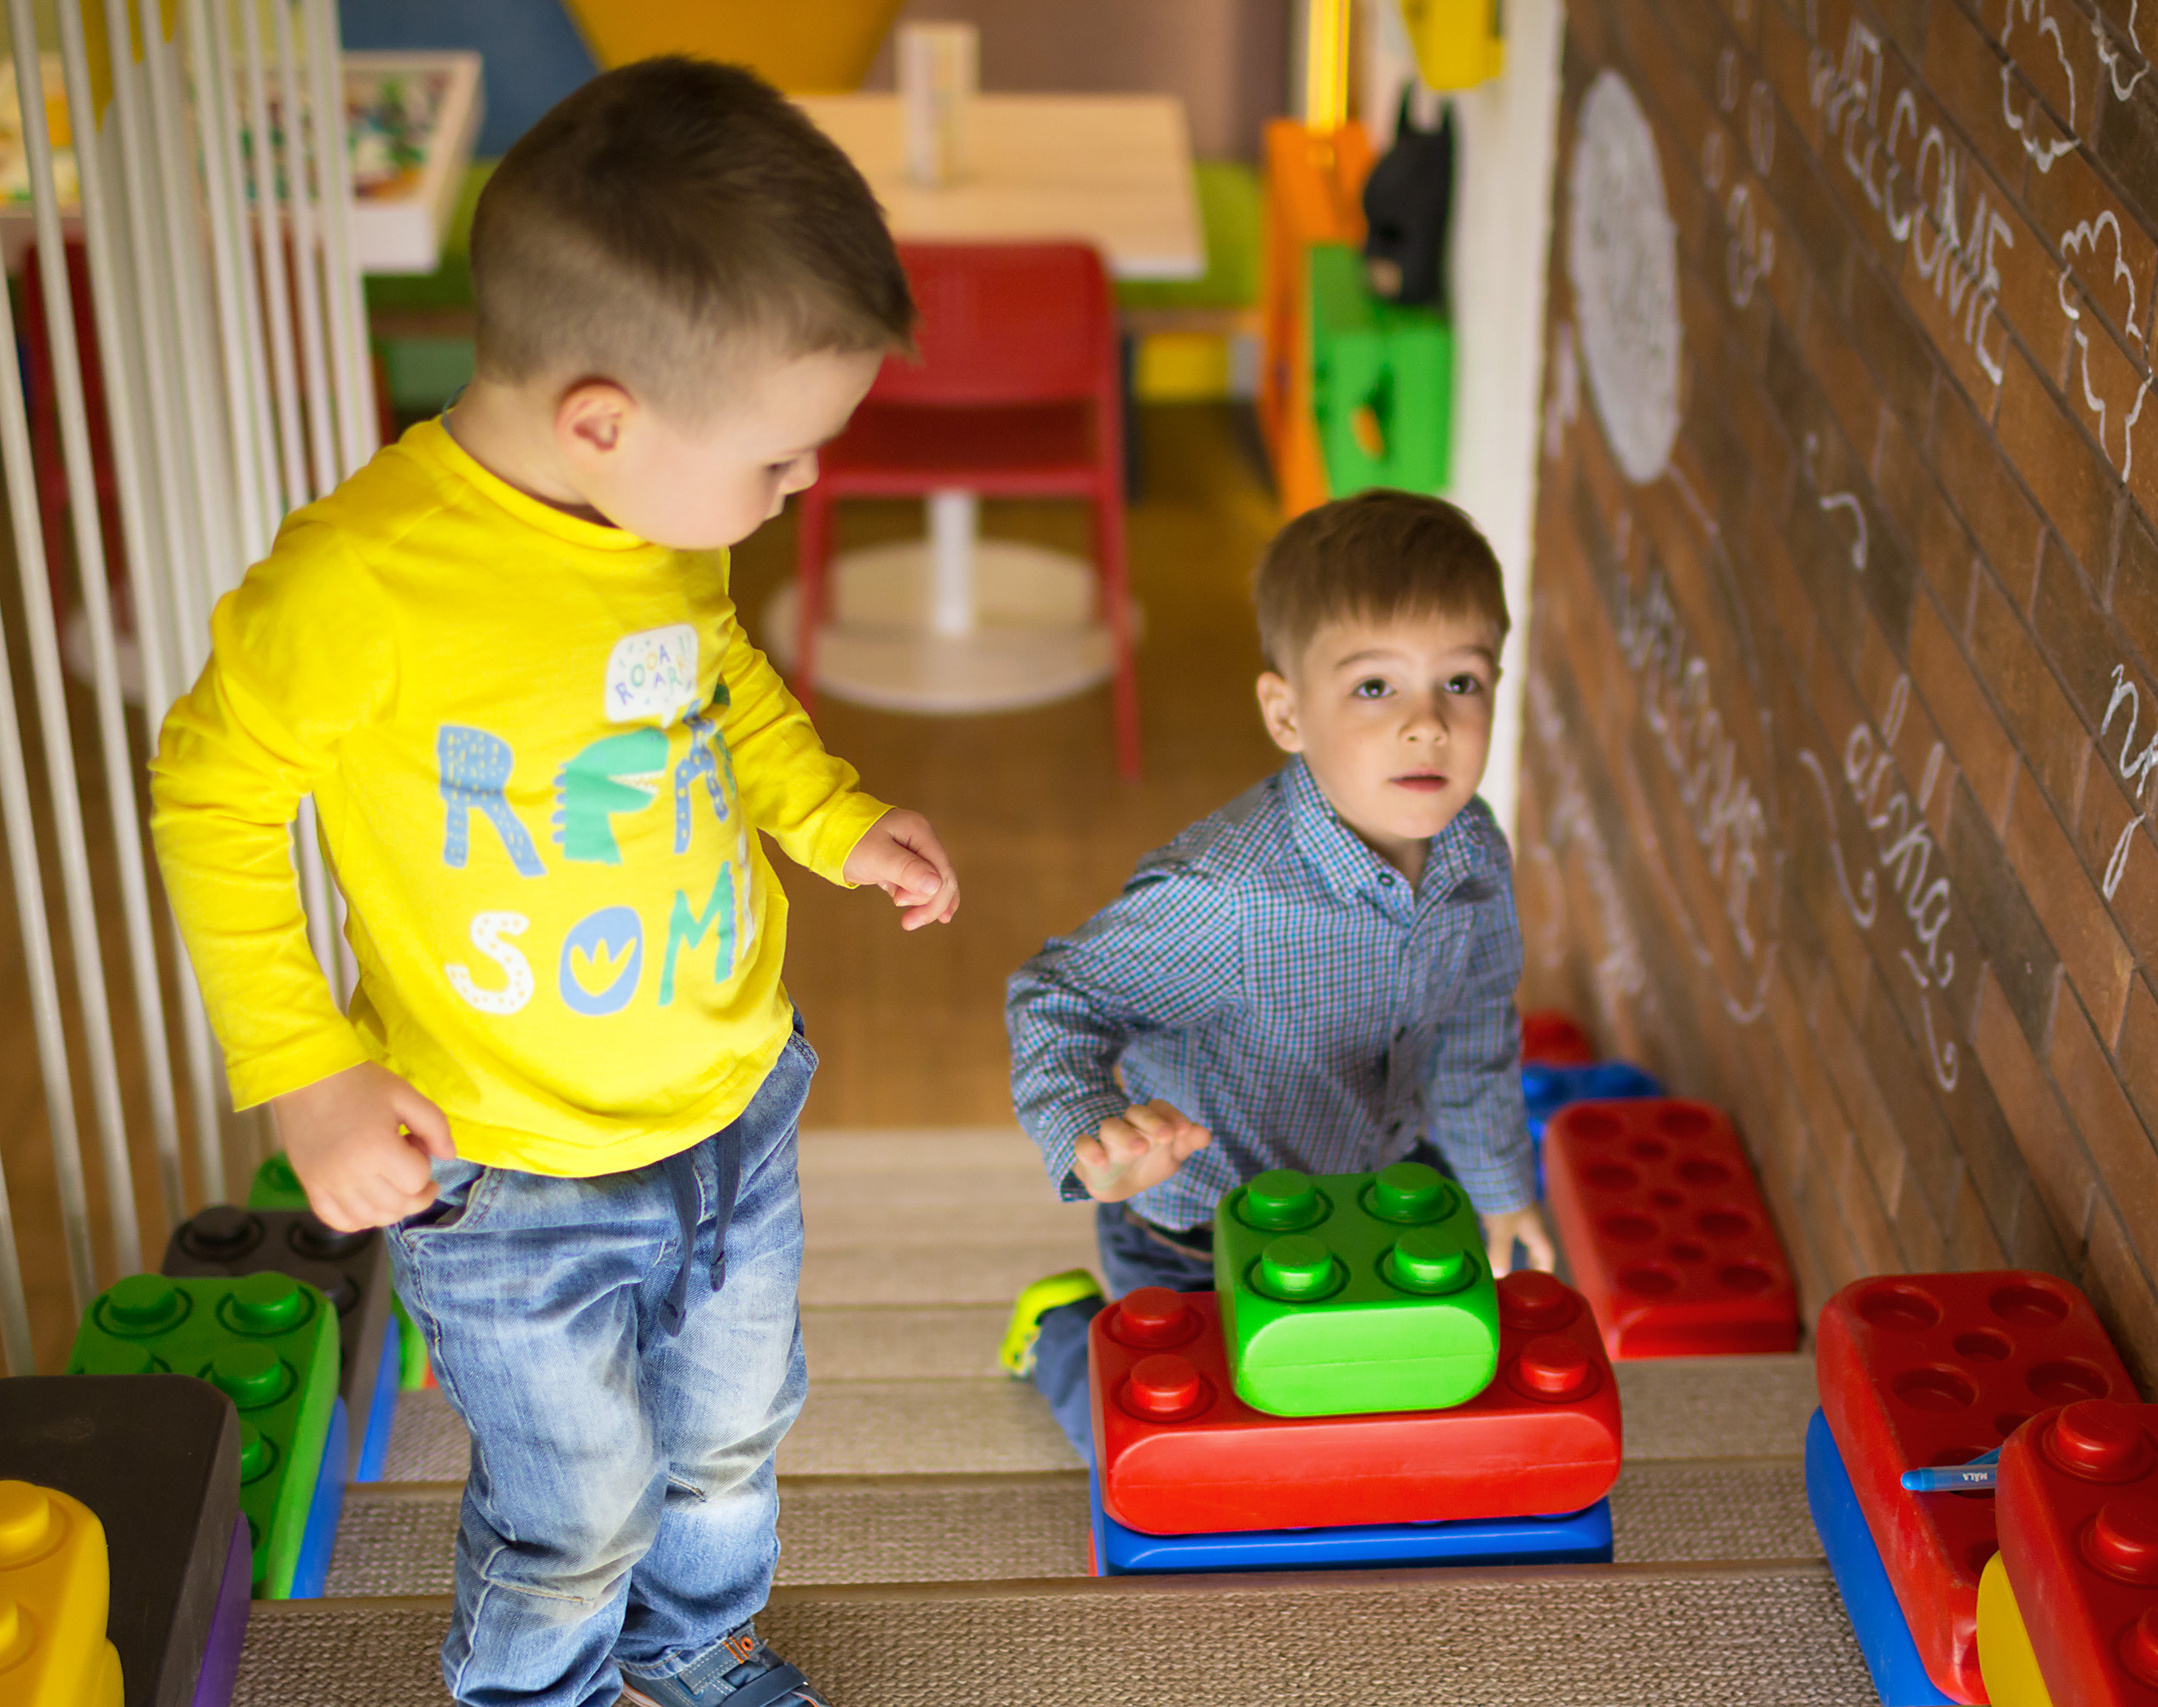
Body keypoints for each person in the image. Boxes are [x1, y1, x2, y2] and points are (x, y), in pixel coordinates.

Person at [149, 59, 955, 1707]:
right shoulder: (359, 586)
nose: (798, 491)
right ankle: (538, 1690)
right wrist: (303, 1065)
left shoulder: (654, 505)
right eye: (782, 459)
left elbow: (713, 678)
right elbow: (211, 788)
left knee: (735, 1435)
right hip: (508, 1164)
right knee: (578, 1500)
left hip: (733, 1100)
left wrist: (829, 813)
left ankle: (698, 1643)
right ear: (604, 415)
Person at [998, 489, 1551, 1462]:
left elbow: (1473, 1032)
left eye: (1460, 683)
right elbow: (1057, 997)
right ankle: (1057, 1334)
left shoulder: (1475, 855)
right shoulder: (1231, 895)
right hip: (1199, 1238)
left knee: (1394, 1424)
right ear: (1287, 712)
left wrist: (1501, 1188)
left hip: (1383, 1197)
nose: (1427, 726)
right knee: (1194, 1457)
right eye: (1374, 688)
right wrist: (1090, 1125)